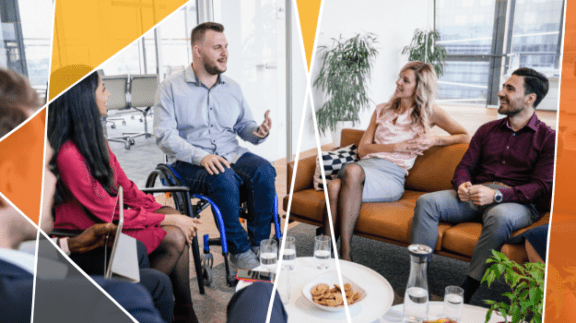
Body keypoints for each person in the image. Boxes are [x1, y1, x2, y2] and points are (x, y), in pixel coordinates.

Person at [47, 68, 201, 322]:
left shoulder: (95, 139)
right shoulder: (68, 154)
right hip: (89, 231)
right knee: (174, 233)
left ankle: (180, 309)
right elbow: (106, 211)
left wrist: (159, 210)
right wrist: (167, 221)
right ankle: (154, 305)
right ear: (84, 99)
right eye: (103, 89)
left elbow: (126, 187)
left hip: (108, 220)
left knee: (173, 216)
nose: (108, 94)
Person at [410, 67, 555, 303]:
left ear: (530, 99)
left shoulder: (548, 139)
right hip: (476, 194)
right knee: (427, 202)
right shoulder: (487, 130)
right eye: (503, 86)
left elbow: (540, 187)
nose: (500, 92)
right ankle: (418, 278)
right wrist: (462, 184)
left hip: (516, 203)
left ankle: (466, 291)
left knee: (499, 216)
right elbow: (464, 166)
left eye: (509, 88)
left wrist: (497, 196)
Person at [155, 22, 276, 270]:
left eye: (226, 47)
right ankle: (238, 248)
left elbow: (244, 125)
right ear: (197, 50)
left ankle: (259, 243)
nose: (225, 53)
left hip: (231, 153)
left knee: (264, 169)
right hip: (190, 163)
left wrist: (257, 132)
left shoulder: (232, 88)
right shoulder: (170, 88)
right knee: (223, 177)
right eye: (217, 47)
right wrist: (201, 157)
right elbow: (165, 136)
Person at [324, 61, 470, 261]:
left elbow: (463, 135)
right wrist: (396, 147)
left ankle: (331, 253)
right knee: (351, 171)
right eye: (400, 77)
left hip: (392, 176)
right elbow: (363, 149)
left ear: (419, 87)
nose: (398, 82)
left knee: (334, 187)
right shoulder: (382, 109)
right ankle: (342, 255)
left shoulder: (430, 113)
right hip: (364, 167)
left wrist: (435, 140)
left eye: (405, 80)